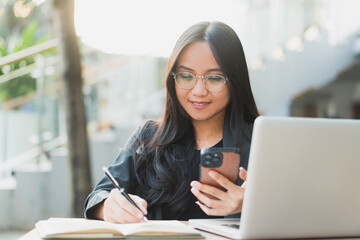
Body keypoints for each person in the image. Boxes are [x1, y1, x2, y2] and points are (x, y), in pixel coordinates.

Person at [84, 21, 259, 223]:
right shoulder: (149, 137)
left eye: (214, 78)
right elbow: (98, 196)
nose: (199, 91)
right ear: (172, 79)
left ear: (235, 81)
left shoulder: (263, 143)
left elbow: (297, 213)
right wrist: (108, 207)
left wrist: (255, 205)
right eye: (186, 76)